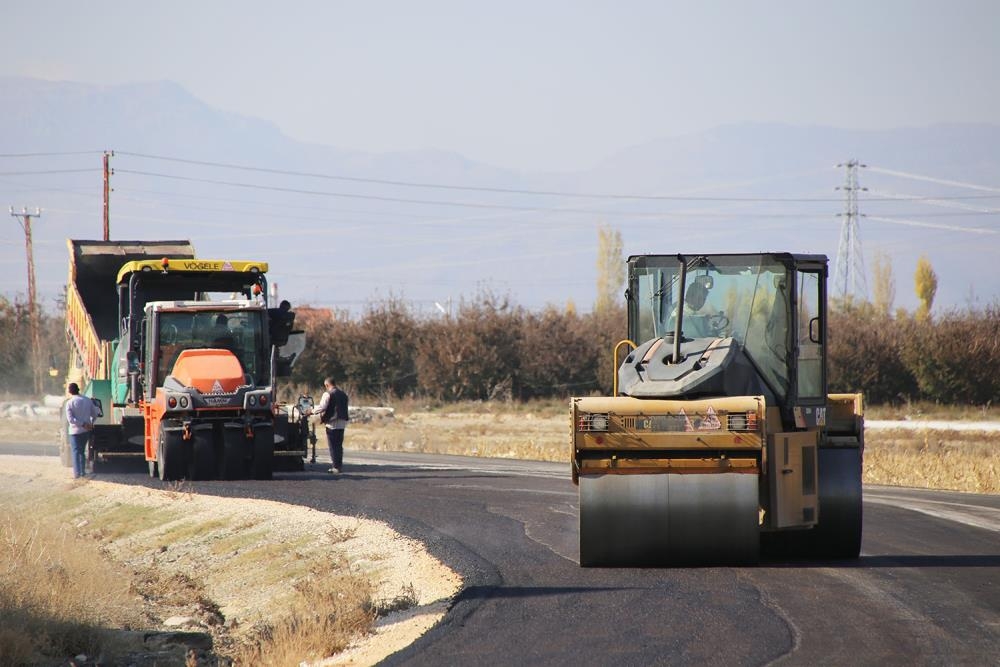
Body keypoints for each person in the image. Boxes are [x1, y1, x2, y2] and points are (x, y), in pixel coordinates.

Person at [312, 377, 349, 474]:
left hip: (332, 422)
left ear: (327, 385)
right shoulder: (343, 394)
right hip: (342, 422)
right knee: (339, 445)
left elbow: (322, 407)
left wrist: (311, 411)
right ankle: (339, 465)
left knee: (333, 445)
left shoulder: (328, 394)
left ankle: (335, 467)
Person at [65, 382, 101, 478]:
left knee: (76, 451)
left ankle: (77, 474)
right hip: (85, 431)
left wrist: (82, 424)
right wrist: (90, 423)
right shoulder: (87, 400)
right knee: (82, 451)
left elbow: (71, 420)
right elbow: (94, 414)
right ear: (78, 389)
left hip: (74, 431)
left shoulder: (69, 403)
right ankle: (82, 472)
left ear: (70, 391)